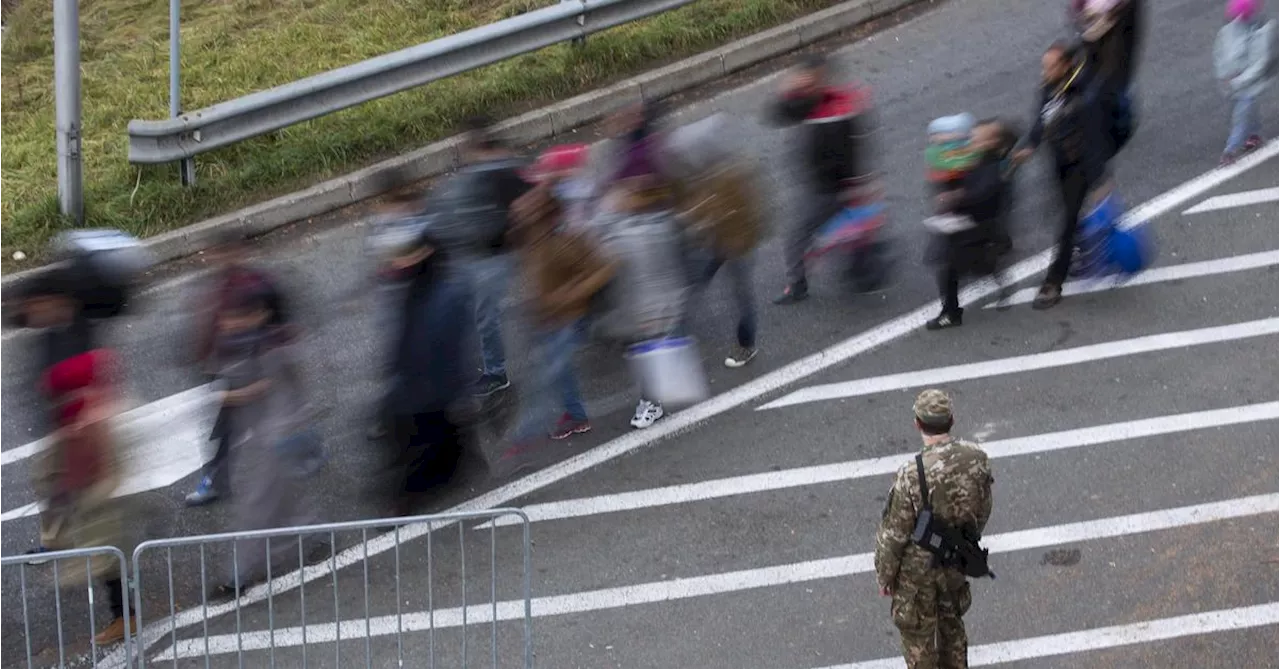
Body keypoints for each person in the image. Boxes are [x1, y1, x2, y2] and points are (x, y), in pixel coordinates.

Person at [495, 180, 616, 477]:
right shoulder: (529, 237)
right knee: (558, 373)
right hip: (543, 319)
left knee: (543, 383)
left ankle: (520, 445)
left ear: (545, 212)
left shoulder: (569, 239)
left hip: (566, 320)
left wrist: (571, 294)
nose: (524, 208)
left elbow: (605, 267)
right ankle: (576, 416)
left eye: (532, 205)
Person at [209, 288, 324, 599]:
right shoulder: (257, 342)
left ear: (260, 314)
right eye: (229, 317)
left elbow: (265, 386)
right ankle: (313, 535)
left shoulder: (273, 346)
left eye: (238, 317)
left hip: (277, 435)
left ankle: (237, 576)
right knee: (281, 497)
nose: (231, 323)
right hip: (269, 434)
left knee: (254, 504)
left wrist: (224, 396)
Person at [875, 390, 995, 669]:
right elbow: (983, 509)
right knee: (952, 628)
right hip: (954, 561)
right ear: (951, 420)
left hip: (917, 575)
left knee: (919, 641)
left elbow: (895, 535)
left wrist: (885, 576)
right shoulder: (976, 458)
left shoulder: (911, 473)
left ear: (918, 423)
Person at [185, 231, 292, 506]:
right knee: (225, 428)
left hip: (253, 367)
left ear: (237, 252)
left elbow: (279, 323)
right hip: (229, 367)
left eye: (222, 252)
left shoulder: (257, 285)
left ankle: (297, 458)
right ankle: (215, 479)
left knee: (266, 424)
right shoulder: (218, 287)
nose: (215, 259)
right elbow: (211, 327)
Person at [37, 349, 137, 644]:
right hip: (92, 492)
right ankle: (124, 616)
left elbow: (111, 469)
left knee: (109, 553)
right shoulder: (80, 409)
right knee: (108, 553)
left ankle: (125, 618)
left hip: (102, 497)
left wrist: (88, 498)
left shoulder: (93, 414)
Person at [379, 226, 478, 515]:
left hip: (430, 388)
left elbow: (450, 347)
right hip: (418, 384)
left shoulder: (445, 294)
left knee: (421, 442)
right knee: (427, 439)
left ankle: (410, 494)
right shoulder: (419, 287)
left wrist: (459, 392)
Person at [764, 53, 871, 304]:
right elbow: (777, 114)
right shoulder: (807, 101)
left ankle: (797, 285)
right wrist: (787, 90)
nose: (812, 84)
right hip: (818, 184)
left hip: (830, 187)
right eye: (808, 80)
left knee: (796, 236)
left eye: (816, 79)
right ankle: (855, 266)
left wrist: (858, 183)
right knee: (838, 230)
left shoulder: (841, 104)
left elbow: (854, 147)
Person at [1013, 41, 1109, 310]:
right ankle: (1087, 246)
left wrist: (1099, 177)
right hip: (1059, 162)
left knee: (1066, 222)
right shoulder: (1049, 89)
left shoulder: (1083, 93)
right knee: (1066, 214)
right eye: (1044, 66)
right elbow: (1041, 121)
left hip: (1080, 165)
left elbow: (1094, 137)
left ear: (1066, 66)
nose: (1045, 72)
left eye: (1051, 67)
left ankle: (1053, 281)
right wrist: (1030, 145)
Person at [665, 113, 766, 368]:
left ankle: (746, 346)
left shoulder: (733, 176)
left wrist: (702, 219)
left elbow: (753, 214)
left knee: (741, 296)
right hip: (716, 242)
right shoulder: (699, 175)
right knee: (693, 287)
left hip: (736, 245)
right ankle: (677, 338)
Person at [451, 116, 535, 399]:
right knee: (478, 313)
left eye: (466, 147)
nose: (463, 153)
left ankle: (496, 373)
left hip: (497, 255)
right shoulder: (488, 169)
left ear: (480, 145)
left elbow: (529, 203)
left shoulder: (502, 170)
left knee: (486, 315)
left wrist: (512, 233)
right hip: (483, 254)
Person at [925, 119, 1019, 330]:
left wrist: (957, 197)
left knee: (948, 267)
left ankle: (951, 313)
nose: (970, 141)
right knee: (968, 264)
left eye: (976, 138)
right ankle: (996, 271)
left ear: (991, 142)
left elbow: (983, 193)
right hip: (970, 223)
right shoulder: (982, 159)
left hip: (977, 226)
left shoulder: (993, 167)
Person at [1214, 0, 1275, 164]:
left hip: (1246, 82)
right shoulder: (1231, 31)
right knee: (1245, 108)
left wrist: (1234, 80)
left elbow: (1260, 63)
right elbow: (1220, 54)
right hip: (1236, 81)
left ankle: (1231, 149)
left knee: (1241, 111)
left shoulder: (1258, 32)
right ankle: (1253, 134)